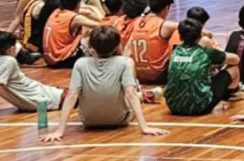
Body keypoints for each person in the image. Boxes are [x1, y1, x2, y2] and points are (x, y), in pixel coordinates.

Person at [41, 26, 169, 141]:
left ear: (92, 46)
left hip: (88, 121)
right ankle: (144, 94)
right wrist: (144, 127)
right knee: (133, 91)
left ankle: (145, 94)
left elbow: (72, 96)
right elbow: (130, 94)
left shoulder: (80, 63)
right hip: (120, 119)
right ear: (116, 46)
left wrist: (60, 131)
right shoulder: (124, 63)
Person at [166, 18, 244, 116]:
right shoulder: (206, 52)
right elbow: (236, 59)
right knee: (233, 69)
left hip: (172, 105)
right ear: (200, 36)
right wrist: (214, 49)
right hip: (200, 106)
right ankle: (233, 93)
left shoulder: (175, 51)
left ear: (180, 37)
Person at [125, 0, 179, 84]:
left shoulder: (137, 22)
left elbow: (127, 51)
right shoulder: (164, 25)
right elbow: (192, 28)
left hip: (138, 75)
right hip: (158, 76)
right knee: (178, 37)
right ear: (166, 8)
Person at [43, 0, 101, 69]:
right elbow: (100, 26)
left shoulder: (56, 12)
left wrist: (91, 10)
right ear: (78, 3)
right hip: (62, 59)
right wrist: (98, 11)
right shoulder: (75, 18)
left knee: (83, 30)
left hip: (49, 58)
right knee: (93, 32)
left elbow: (86, 12)